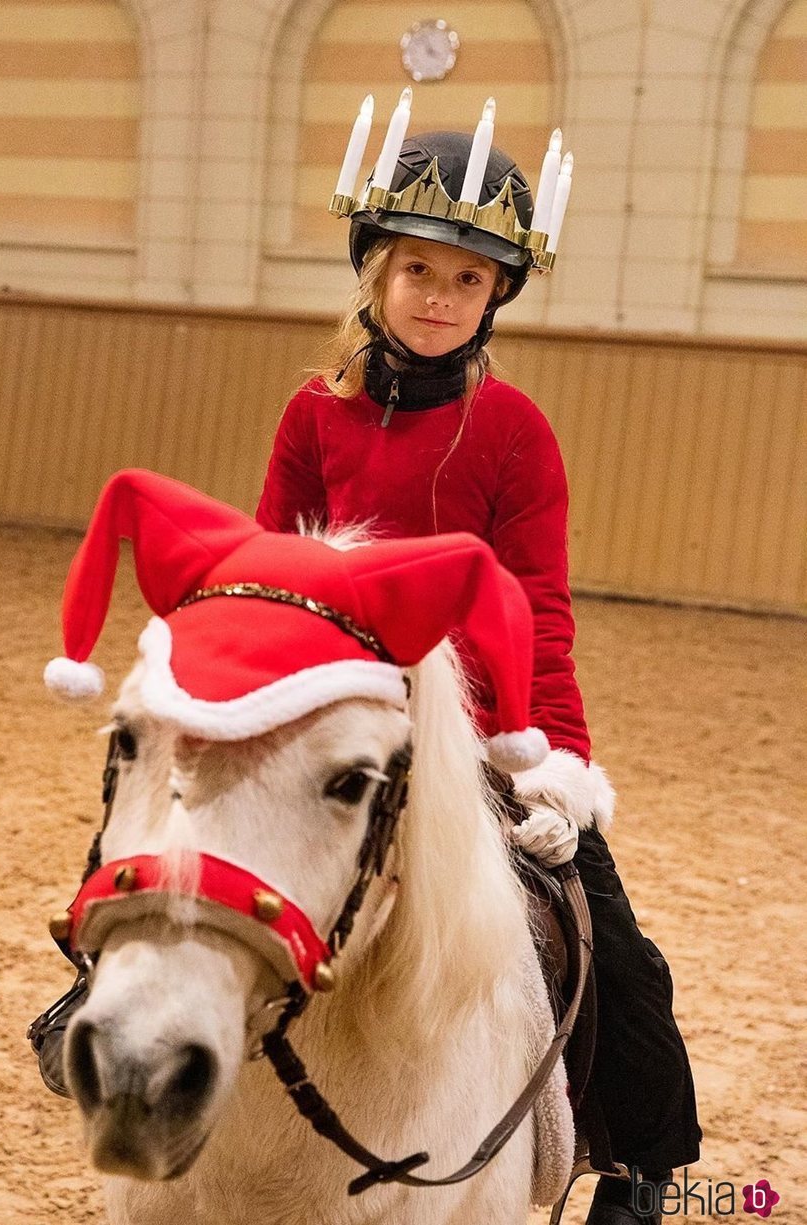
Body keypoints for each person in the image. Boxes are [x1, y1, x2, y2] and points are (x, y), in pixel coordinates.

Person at [253, 131, 702, 1225]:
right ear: (375, 272)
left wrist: (557, 769)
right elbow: (272, 570)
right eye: (417, 270)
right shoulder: (313, 413)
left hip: (480, 727)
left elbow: (538, 611)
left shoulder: (514, 432)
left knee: (617, 954)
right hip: (335, 707)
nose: (439, 297)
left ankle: (639, 1166)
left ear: (493, 296)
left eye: (467, 279)